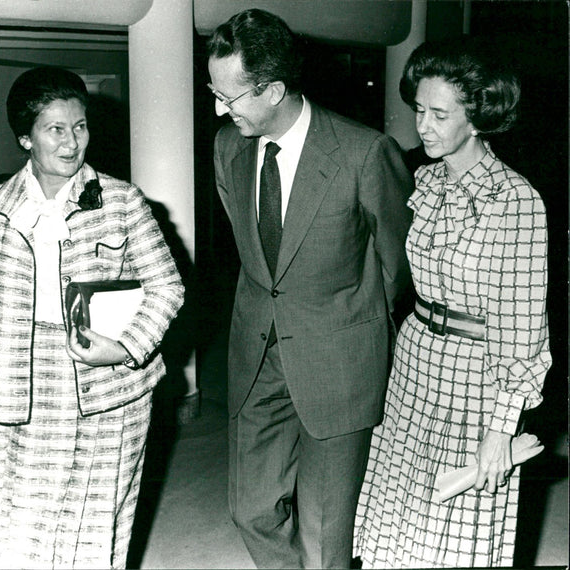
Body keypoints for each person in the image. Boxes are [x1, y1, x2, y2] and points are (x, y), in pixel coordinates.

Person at [206, 9, 413, 569]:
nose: (219, 109)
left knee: (326, 532)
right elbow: (255, 258)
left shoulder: (363, 153)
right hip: (257, 354)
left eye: (229, 97)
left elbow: (399, 266)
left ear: (273, 89)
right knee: (249, 509)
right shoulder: (228, 147)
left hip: (338, 362)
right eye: (214, 92)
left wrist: (354, 327)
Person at [0, 66, 184, 569]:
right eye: (55, 129)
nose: (71, 142)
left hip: (110, 384)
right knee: (24, 526)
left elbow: (167, 287)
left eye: (79, 126)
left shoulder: (123, 201)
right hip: (25, 379)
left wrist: (123, 349)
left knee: (97, 528)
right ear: (24, 136)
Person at [353, 38, 552, 568]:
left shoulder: (515, 200)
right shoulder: (425, 180)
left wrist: (500, 429)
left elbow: (523, 324)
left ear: (480, 115)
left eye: (440, 114)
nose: (423, 126)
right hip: (415, 359)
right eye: (419, 110)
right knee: (400, 514)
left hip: (475, 376)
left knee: (455, 528)